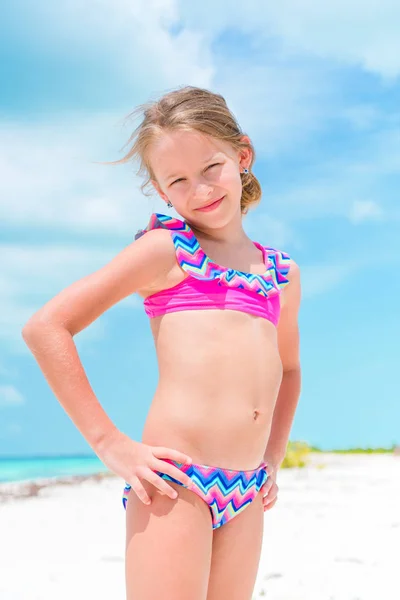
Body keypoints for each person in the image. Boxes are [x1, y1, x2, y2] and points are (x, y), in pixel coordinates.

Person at [22, 85, 302, 600]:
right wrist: (111, 444)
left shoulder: (280, 273)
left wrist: (275, 457)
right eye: (178, 180)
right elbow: (46, 327)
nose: (200, 190)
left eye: (210, 167)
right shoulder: (167, 251)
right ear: (160, 190)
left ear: (243, 155)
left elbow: (289, 370)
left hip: (246, 488)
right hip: (177, 483)